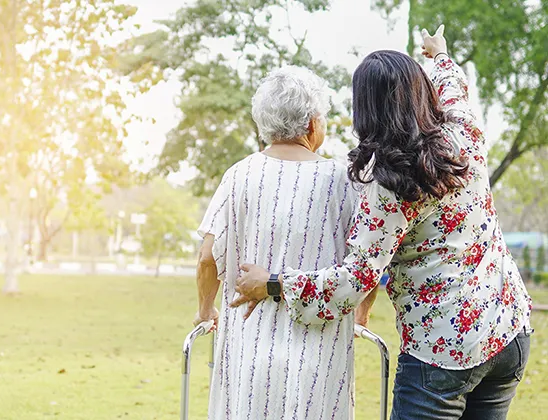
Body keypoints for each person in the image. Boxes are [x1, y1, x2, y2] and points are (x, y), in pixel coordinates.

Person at [231, 25, 533, 420]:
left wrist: (271, 284)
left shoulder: (388, 185)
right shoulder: (465, 134)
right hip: (506, 328)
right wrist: (438, 54)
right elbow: (455, 86)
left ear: (367, 111)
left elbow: (354, 281)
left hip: (441, 353)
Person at [194, 65, 376, 419]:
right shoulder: (344, 181)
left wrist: (205, 309)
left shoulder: (238, 175)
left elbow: (206, 258)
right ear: (311, 124)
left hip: (248, 355)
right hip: (320, 356)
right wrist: (361, 315)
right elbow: (367, 262)